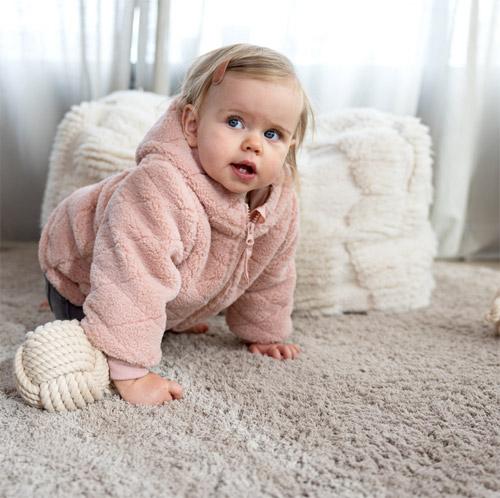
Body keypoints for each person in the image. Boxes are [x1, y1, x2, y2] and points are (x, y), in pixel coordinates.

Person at [39, 43, 313, 406]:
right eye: (235, 122)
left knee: (164, 295)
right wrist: (131, 372)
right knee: (84, 345)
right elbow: (131, 275)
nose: (253, 144)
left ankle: (168, 317)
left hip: (162, 289)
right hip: (82, 279)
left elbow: (271, 274)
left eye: (272, 134)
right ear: (192, 125)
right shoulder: (159, 188)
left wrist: (264, 332)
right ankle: (101, 328)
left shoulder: (278, 205)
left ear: (290, 145)